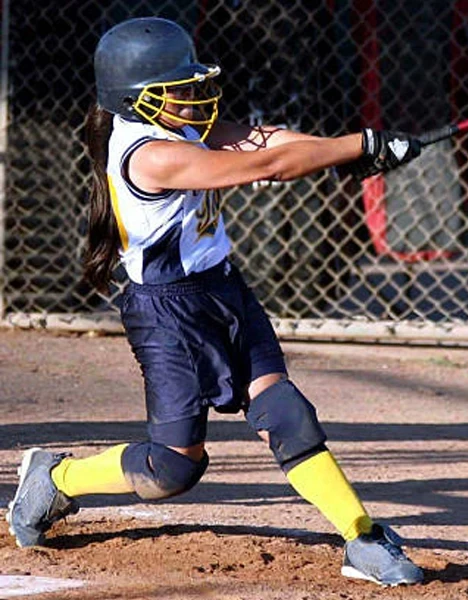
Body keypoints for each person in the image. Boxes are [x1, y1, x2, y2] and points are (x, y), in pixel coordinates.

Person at [5, 17, 423, 587]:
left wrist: (351, 150)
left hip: (224, 289)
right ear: (136, 101)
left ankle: (362, 536)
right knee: (174, 467)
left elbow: (265, 140)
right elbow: (263, 165)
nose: (192, 97)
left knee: (284, 412)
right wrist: (355, 147)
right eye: (175, 90)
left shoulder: (183, 131)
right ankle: (58, 479)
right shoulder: (150, 154)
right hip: (168, 313)